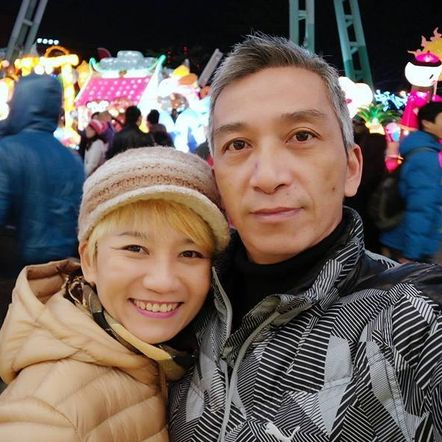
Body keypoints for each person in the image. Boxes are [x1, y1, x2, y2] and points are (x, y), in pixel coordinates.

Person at [168, 34, 442, 441]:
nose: (268, 177)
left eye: (301, 136)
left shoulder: (415, 320)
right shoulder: (181, 305)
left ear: (351, 168)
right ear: (216, 178)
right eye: (238, 144)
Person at [0, 147, 229, 441]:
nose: (162, 282)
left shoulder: (173, 354)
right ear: (89, 260)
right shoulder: (46, 416)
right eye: (135, 249)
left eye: (190, 253)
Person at [0, 74, 84, 324]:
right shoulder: (72, 159)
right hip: (59, 275)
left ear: (23, 104)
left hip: (13, 274)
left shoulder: (7, 151)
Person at [380, 101, 442, 263]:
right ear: (427, 123)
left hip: (401, 238)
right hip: (409, 246)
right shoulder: (426, 158)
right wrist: (411, 254)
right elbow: (421, 207)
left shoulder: (419, 151)